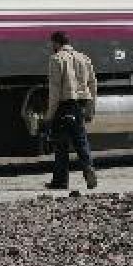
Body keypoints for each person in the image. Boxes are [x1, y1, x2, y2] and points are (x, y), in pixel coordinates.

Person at [44, 31, 98, 190]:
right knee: (81, 141)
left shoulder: (56, 59)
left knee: (61, 145)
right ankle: (88, 168)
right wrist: (91, 109)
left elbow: (54, 91)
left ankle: (60, 181)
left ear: (56, 43)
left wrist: (49, 115)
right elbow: (93, 85)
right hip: (80, 105)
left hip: (64, 105)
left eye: (52, 43)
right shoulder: (84, 58)